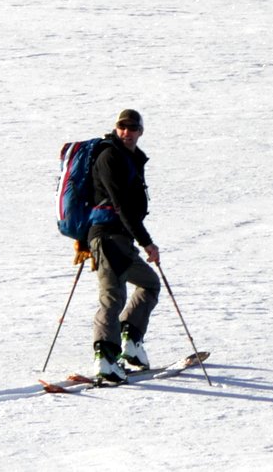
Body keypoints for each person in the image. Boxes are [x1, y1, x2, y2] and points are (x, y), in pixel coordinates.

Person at [88, 108, 160, 382]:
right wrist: (147, 243)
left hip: (120, 239)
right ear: (116, 129)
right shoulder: (110, 157)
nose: (127, 132)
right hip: (107, 238)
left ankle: (130, 340)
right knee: (113, 296)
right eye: (123, 127)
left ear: (140, 131)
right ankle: (106, 359)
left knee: (149, 284)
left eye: (132, 128)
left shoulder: (131, 159)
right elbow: (120, 206)